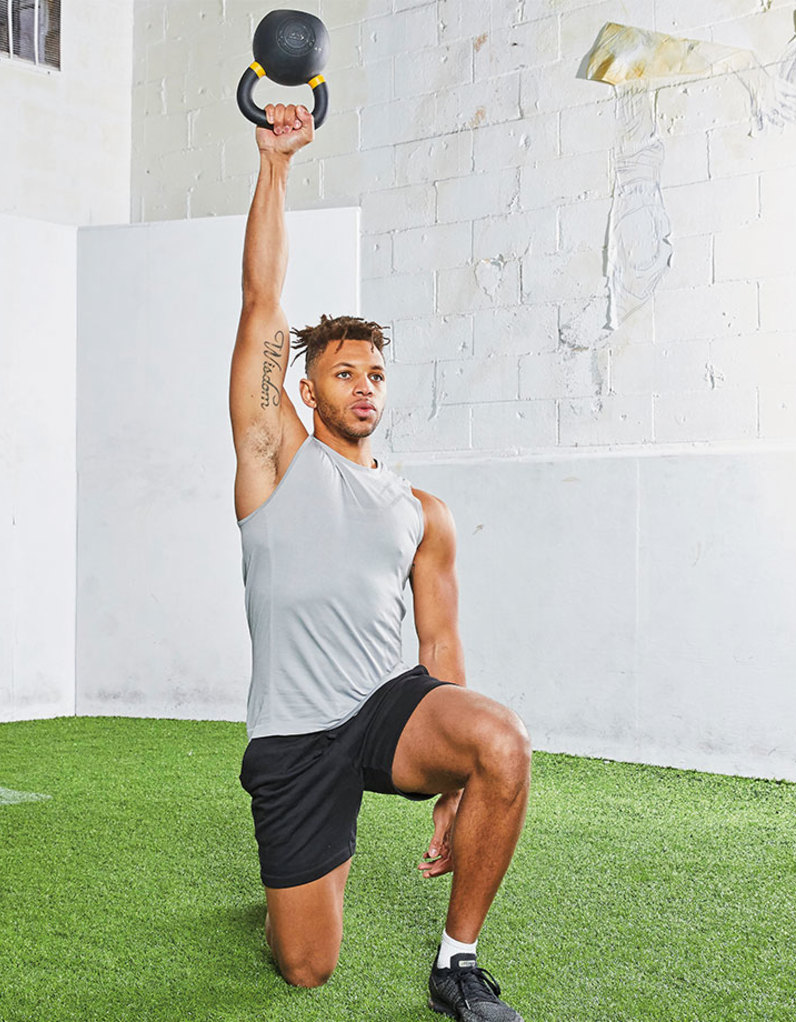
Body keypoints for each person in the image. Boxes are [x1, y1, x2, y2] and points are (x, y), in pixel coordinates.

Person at [230, 103, 532, 1022]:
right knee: (306, 968)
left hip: (384, 708)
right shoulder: (274, 457)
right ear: (305, 387)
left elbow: (439, 644)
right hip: (295, 736)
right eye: (344, 373)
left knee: (500, 743)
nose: (364, 386)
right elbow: (261, 306)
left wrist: (453, 784)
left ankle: (459, 962)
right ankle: (300, 885)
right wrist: (277, 166)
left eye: (376, 374)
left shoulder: (420, 513)